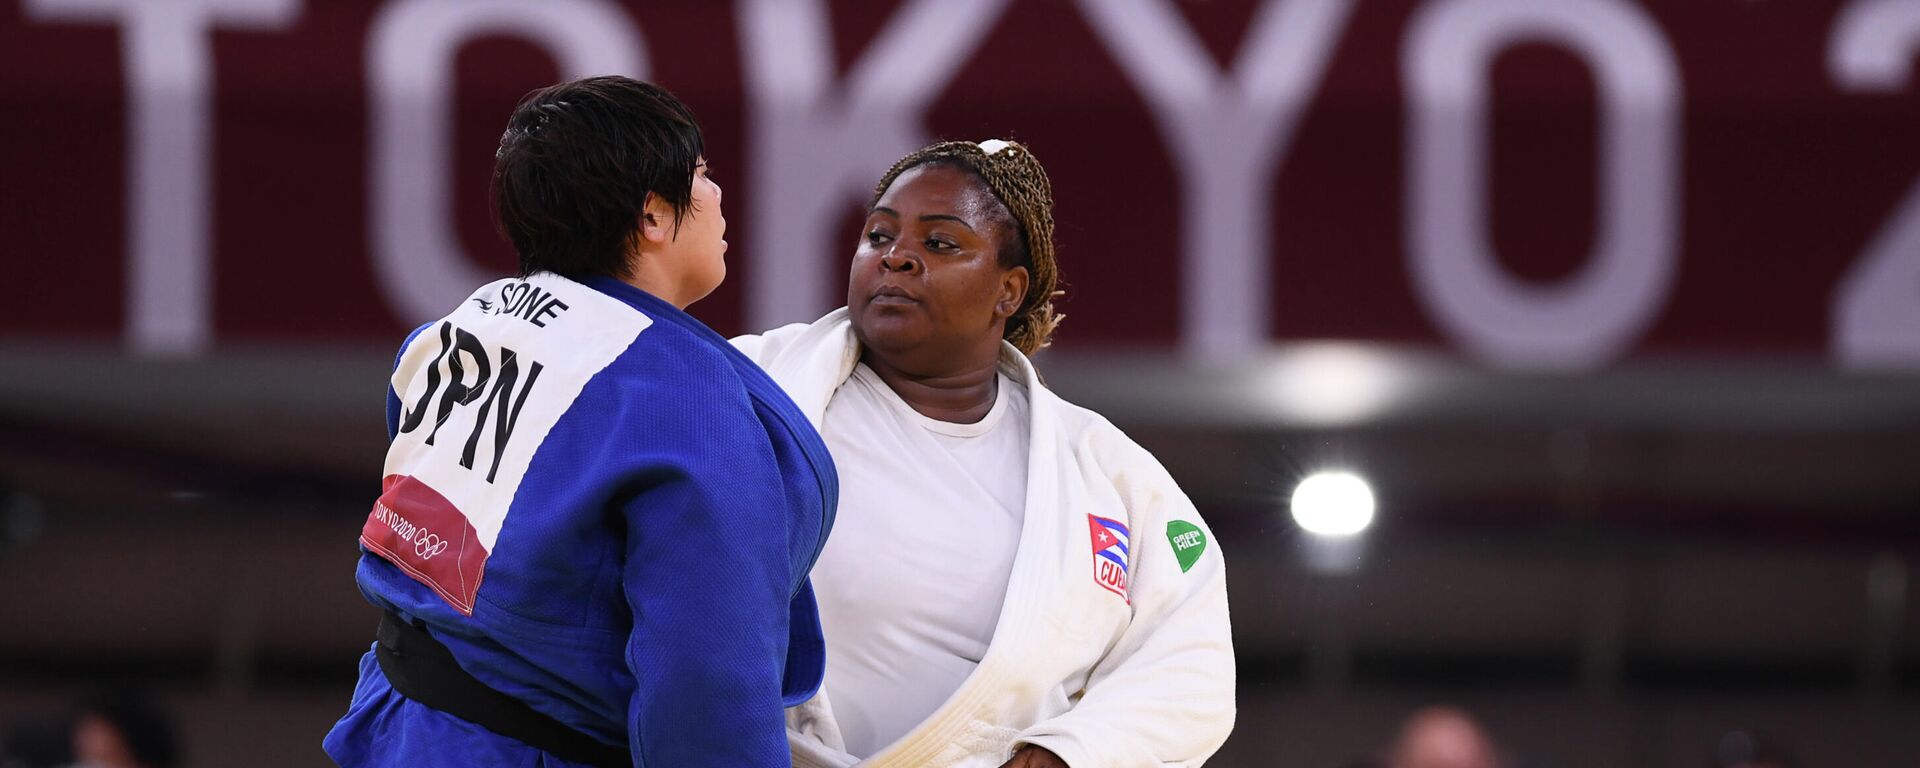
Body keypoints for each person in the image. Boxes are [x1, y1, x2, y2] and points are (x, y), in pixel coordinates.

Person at [323, 75, 837, 767]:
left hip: (390, 727)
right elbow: (707, 675)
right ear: (654, 217)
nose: (717, 196)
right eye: (703, 175)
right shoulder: (685, 402)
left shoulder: (449, 334)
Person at [733, 139, 1234, 767]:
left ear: (1009, 290)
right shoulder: (753, 384)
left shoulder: (1105, 471)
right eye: (878, 236)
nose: (897, 259)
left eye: (940, 243)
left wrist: (1070, 752)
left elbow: (1191, 659)